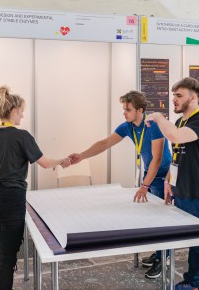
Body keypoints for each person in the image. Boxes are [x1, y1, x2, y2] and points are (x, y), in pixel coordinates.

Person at [0, 86, 71, 290]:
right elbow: (45, 163)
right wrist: (62, 161)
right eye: (21, 111)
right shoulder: (22, 136)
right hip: (11, 198)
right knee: (7, 257)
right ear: (13, 111)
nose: (23, 114)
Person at [69, 90, 172, 279]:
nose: (124, 113)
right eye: (124, 109)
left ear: (140, 110)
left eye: (128, 109)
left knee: (162, 220)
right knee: (154, 218)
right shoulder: (128, 126)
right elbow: (105, 143)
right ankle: (159, 253)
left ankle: (164, 258)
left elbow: (157, 159)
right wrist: (81, 156)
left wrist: (145, 185)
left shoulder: (153, 125)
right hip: (149, 176)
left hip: (162, 176)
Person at [146, 77, 199, 290]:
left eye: (179, 96)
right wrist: (169, 181)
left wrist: (159, 117)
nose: (174, 100)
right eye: (173, 96)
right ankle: (192, 281)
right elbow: (177, 157)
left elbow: (174, 135)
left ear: (193, 97)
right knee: (193, 243)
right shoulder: (180, 121)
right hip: (184, 192)